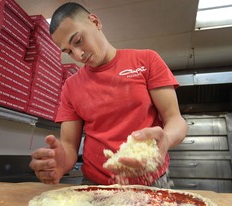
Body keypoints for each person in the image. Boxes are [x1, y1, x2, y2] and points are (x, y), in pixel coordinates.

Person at [29, 2, 187, 187]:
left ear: (95, 22)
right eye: (68, 51)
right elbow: (69, 145)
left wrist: (166, 139)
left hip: (150, 181)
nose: (78, 55)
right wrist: (60, 162)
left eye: (78, 41)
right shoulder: (71, 86)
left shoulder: (146, 60)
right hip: (95, 184)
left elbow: (175, 120)